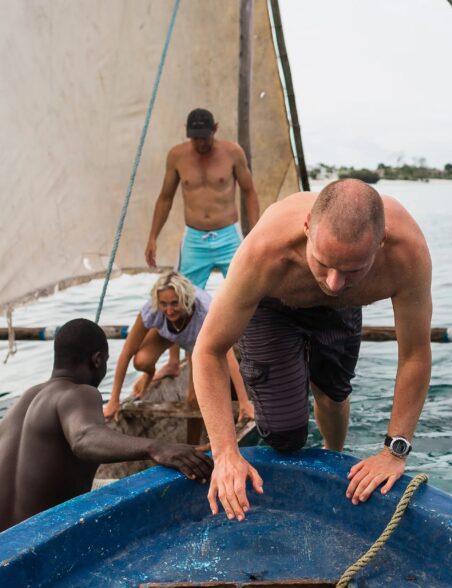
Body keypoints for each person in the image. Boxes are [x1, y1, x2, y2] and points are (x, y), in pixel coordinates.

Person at [193, 179, 432, 521]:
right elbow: (208, 349)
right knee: (285, 435)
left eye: (351, 269)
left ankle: (333, 456)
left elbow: (415, 355)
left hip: (343, 310)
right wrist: (226, 452)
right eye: (323, 263)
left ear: (380, 243)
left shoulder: (406, 253)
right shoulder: (264, 251)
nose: (333, 282)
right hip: (273, 306)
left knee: (334, 394)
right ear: (306, 227)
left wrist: (395, 451)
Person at [0, 319, 212, 532]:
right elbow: (84, 438)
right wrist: (157, 447)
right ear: (98, 359)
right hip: (40, 543)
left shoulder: (19, 404)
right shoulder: (79, 392)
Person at [143, 108, 260, 382]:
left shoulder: (232, 153)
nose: (201, 143)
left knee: (250, 288)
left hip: (228, 235)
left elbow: (249, 191)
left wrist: (254, 233)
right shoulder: (177, 156)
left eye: (205, 138)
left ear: (215, 129)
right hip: (195, 238)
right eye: (195, 138)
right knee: (178, 296)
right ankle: (175, 361)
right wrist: (152, 237)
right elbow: (165, 197)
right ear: (187, 132)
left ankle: (254, 350)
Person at [102, 272, 254, 432]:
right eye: (164, 304)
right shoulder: (152, 309)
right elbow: (126, 353)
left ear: (186, 299)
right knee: (141, 361)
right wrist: (114, 400)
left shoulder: (206, 312)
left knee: (195, 400)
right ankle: (159, 370)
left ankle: (193, 446)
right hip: (170, 334)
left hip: (198, 343)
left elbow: (228, 356)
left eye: (175, 303)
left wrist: (244, 402)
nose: (169, 310)